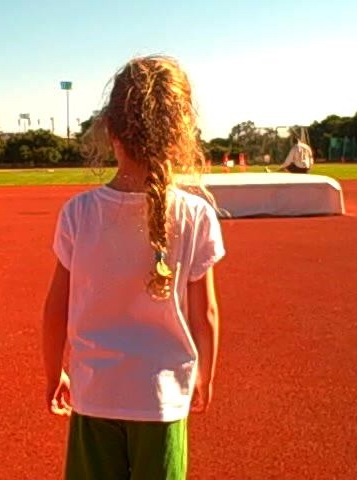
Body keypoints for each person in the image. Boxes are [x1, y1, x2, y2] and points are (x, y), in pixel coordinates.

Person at [42, 56, 225, 480]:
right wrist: (205, 375)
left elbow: (55, 309)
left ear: (110, 129)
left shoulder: (79, 213)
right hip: (161, 400)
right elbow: (208, 316)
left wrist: (55, 373)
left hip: (94, 394)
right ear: (181, 131)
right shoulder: (196, 215)